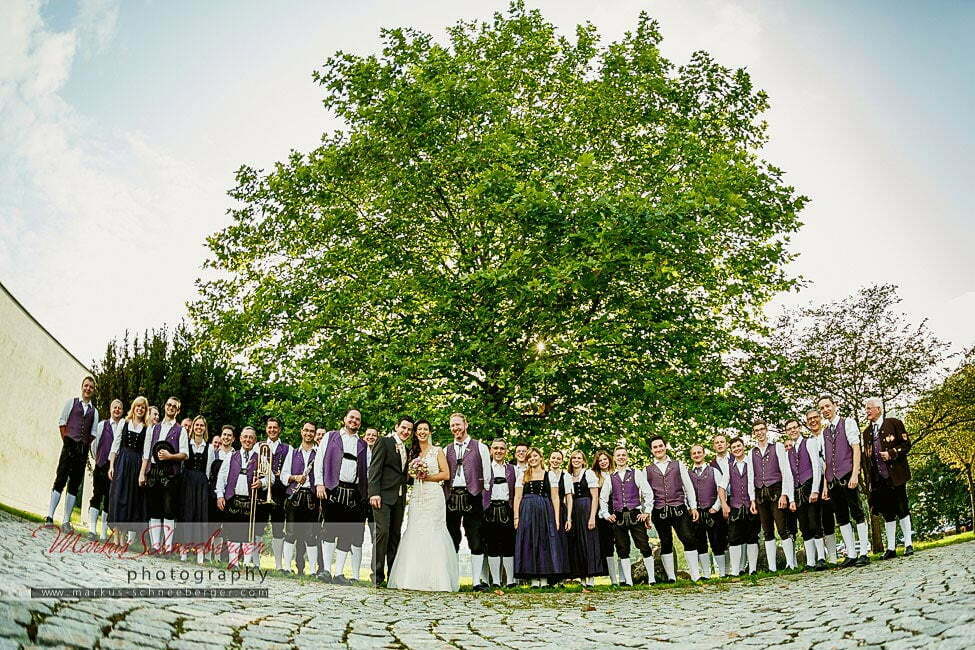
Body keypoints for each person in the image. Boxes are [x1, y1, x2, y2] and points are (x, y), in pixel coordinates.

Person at [387, 419, 459, 591]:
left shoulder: (437, 451)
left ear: (430, 432)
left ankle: (437, 579)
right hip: (417, 495)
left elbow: (446, 474)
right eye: (419, 429)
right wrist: (415, 472)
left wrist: (427, 477)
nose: (422, 432)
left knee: (433, 530)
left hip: (433, 494)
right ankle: (411, 578)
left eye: (425, 429)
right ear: (415, 433)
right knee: (415, 529)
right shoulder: (412, 452)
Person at [314, 409, 369, 584]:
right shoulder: (331, 437)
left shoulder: (363, 444)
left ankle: (339, 573)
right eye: (351, 417)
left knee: (346, 532)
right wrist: (319, 483)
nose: (354, 421)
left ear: (360, 423)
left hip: (353, 492)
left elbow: (367, 471)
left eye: (357, 419)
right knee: (330, 529)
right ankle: (327, 571)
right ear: (344, 419)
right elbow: (319, 461)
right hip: (332, 488)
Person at [818, 396, 869, 567]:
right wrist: (825, 485)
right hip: (832, 480)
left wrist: (855, 474)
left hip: (848, 475)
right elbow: (825, 462)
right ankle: (851, 554)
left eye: (827, 406)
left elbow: (856, 448)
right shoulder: (824, 432)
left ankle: (863, 552)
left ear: (835, 406)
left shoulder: (847, 423)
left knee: (857, 513)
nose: (825, 410)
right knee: (841, 517)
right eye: (822, 408)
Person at [443, 413, 491, 591]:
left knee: (476, 538)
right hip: (452, 495)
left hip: (474, 495)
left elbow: (487, 477)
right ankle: (453, 580)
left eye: (458, 424)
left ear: (466, 424)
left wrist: (483, 500)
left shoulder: (480, 447)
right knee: (452, 538)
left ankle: (476, 581)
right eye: (452, 425)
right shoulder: (446, 449)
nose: (455, 428)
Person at [862, 397, 914, 558]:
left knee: (902, 508)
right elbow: (867, 457)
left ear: (879, 408)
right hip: (878, 479)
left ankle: (908, 544)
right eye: (866, 408)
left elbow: (906, 445)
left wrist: (891, 453)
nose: (867, 411)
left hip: (896, 475)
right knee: (887, 512)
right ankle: (891, 548)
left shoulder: (894, 423)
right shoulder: (866, 433)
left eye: (870, 408)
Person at [646, 435, 701, 582]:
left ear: (665, 446)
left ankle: (695, 575)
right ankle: (671, 577)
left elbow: (688, 487)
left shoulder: (678, 464)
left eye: (660, 446)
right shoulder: (648, 470)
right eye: (655, 447)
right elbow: (645, 493)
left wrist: (693, 506)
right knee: (666, 542)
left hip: (679, 507)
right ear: (651, 450)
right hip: (659, 510)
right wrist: (647, 512)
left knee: (688, 538)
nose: (658, 449)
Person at [48, 376, 99, 531]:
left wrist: (82, 445)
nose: (88, 389)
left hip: (82, 450)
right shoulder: (71, 403)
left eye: (91, 387)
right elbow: (62, 422)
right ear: (81, 386)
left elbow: (93, 433)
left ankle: (65, 520)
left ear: (93, 390)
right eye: (86, 386)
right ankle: (50, 516)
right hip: (69, 445)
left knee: (74, 484)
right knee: (60, 478)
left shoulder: (94, 412)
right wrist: (68, 441)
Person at [597, 447, 654, 586]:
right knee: (622, 548)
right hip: (618, 516)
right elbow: (603, 499)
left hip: (635, 514)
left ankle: (652, 578)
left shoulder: (636, 473)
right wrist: (606, 514)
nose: (621, 457)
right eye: (618, 455)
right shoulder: (610, 478)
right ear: (614, 458)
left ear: (627, 457)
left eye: (623, 455)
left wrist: (646, 512)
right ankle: (628, 581)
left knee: (644, 545)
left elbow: (648, 493)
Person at [368, 416, 413, 586]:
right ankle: (377, 576)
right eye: (403, 428)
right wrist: (374, 493)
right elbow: (374, 468)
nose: (406, 432)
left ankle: (392, 576)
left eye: (409, 429)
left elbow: (403, 475)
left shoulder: (407, 450)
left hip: (399, 499)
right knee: (382, 533)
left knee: (395, 536)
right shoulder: (384, 442)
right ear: (396, 427)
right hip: (382, 497)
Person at [140, 396, 188, 553]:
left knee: (168, 510)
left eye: (174, 406)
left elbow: (185, 454)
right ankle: (155, 546)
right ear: (165, 406)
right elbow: (146, 453)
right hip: (154, 471)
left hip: (170, 474)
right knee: (154, 509)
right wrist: (142, 473)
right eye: (169, 404)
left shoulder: (181, 431)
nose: (171, 407)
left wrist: (170, 456)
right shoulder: (154, 428)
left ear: (178, 410)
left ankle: (167, 547)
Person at [514, 448, 566, 587]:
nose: (532, 459)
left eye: (535, 456)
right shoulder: (522, 475)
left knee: (544, 542)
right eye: (530, 457)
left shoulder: (549, 475)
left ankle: (544, 578)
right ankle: (533, 579)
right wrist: (516, 517)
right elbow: (517, 497)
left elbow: (555, 498)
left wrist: (556, 518)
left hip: (544, 511)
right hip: (527, 511)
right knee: (529, 541)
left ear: (541, 458)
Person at [216, 427, 266, 568]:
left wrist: (262, 482)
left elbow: (271, 478)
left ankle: (247, 562)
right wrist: (220, 495)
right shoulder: (231, 456)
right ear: (240, 439)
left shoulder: (260, 458)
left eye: (251, 437)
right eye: (245, 437)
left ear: (255, 440)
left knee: (248, 533)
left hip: (250, 501)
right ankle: (233, 562)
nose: (247, 440)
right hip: (233, 498)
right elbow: (222, 477)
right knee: (233, 531)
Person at [749, 421, 796, 571]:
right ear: (754, 433)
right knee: (767, 531)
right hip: (760, 494)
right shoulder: (752, 452)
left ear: (766, 430)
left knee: (782, 528)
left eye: (762, 429)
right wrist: (752, 500)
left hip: (776, 491)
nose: (759, 432)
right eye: (756, 430)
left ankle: (790, 563)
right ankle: (772, 567)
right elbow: (751, 476)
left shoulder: (778, 447)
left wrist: (785, 494)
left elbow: (786, 472)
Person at [783, 418, 826, 570]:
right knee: (804, 526)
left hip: (810, 486)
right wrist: (792, 499)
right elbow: (788, 477)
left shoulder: (809, 442)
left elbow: (816, 466)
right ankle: (810, 561)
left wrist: (815, 489)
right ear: (787, 432)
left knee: (815, 522)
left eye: (795, 427)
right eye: (789, 429)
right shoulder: (788, 452)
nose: (793, 430)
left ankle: (821, 557)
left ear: (800, 428)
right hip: (797, 489)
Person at [107, 396, 149, 544]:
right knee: (118, 497)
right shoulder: (124, 423)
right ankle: (116, 534)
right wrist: (111, 466)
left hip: (136, 465)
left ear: (145, 410)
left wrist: (142, 473)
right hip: (122, 463)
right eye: (138, 406)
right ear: (133, 407)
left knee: (130, 500)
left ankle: (123, 534)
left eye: (143, 407)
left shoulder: (146, 428)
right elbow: (115, 445)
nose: (140, 409)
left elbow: (146, 453)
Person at [281, 420, 320, 575]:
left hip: (311, 497)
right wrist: (295, 477)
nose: (308, 433)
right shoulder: (292, 452)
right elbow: (284, 477)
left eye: (311, 431)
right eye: (306, 430)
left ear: (315, 434)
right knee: (290, 533)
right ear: (301, 432)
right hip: (294, 496)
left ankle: (312, 570)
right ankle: (286, 567)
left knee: (311, 535)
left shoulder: (319, 454)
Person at [566, 450, 605, 586]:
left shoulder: (588, 473)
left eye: (579, 458)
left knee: (589, 541)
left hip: (587, 507)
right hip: (574, 509)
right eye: (573, 458)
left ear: (583, 461)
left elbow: (595, 497)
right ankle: (582, 577)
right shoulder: (568, 476)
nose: (576, 460)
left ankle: (591, 578)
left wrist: (592, 517)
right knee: (577, 543)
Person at [689, 444, 728, 578]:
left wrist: (716, 507)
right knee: (700, 543)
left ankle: (723, 572)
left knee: (717, 542)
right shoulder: (688, 474)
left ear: (704, 454)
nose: (697, 455)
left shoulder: (714, 471)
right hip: (697, 513)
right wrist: (691, 508)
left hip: (713, 511)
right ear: (691, 456)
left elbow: (721, 490)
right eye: (694, 453)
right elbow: (685, 493)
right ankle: (706, 574)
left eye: (699, 452)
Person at [482, 439, 517, 588]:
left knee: (509, 545)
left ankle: (510, 581)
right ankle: (495, 580)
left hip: (507, 508)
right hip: (489, 509)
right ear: (491, 450)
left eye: (502, 448)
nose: (498, 451)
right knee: (492, 545)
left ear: (506, 451)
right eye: (495, 448)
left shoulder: (513, 469)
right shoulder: (484, 468)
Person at [177, 415, 211, 564]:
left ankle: (199, 552)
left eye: (201, 425)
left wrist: (205, 484)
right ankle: (183, 550)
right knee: (186, 514)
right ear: (192, 427)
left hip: (201, 483)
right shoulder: (187, 444)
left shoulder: (209, 447)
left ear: (205, 428)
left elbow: (208, 469)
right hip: (187, 483)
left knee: (200, 516)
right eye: (196, 425)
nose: (199, 428)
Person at [258, 417, 291, 571]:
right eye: (269, 427)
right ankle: (255, 562)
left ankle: (278, 564)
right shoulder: (259, 447)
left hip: (279, 492)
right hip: (262, 491)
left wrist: (278, 476)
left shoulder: (287, 448)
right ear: (266, 429)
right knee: (259, 527)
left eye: (275, 427)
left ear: (279, 430)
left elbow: (288, 470)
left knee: (278, 528)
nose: (272, 430)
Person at [805, 409, 838, 563]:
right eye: (809, 419)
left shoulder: (828, 436)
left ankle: (833, 556)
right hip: (814, 482)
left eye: (815, 418)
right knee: (815, 519)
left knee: (829, 518)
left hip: (829, 478)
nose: (813, 421)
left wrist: (825, 484)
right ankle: (821, 556)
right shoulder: (809, 441)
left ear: (820, 419)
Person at [89, 399, 123, 540]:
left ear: (122, 411)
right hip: (101, 465)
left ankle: (103, 532)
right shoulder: (103, 425)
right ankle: (92, 529)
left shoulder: (122, 427)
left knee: (109, 500)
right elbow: (94, 445)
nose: (117, 410)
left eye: (119, 408)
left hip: (114, 469)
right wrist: (99, 459)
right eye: (115, 407)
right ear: (110, 409)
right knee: (97, 495)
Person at [726, 437, 760, 576]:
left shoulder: (751, 463)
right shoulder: (729, 466)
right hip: (735, 505)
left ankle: (752, 569)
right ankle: (735, 571)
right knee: (734, 538)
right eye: (734, 447)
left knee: (752, 536)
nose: (737, 449)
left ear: (743, 446)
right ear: (731, 450)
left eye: (739, 446)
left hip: (751, 504)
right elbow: (721, 487)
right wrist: (724, 505)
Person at [591, 450, 620, 585]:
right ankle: (613, 579)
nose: (603, 462)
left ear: (609, 459)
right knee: (607, 546)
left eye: (605, 459)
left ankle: (624, 578)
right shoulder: (594, 476)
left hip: (618, 511)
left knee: (621, 544)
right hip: (602, 514)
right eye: (600, 460)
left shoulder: (616, 473)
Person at [208, 425, 237, 562]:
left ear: (233, 439)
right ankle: (208, 555)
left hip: (229, 495)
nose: (226, 437)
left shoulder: (235, 456)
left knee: (224, 527)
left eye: (229, 435)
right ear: (221, 436)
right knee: (212, 525)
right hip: (213, 494)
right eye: (224, 434)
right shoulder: (214, 453)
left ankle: (219, 556)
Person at [546, 450, 573, 585]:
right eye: (553, 458)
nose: (555, 460)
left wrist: (569, 518)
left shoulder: (566, 476)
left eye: (558, 458)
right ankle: (549, 577)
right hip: (545, 510)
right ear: (549, 459)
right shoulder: (544, 474)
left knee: (560, 543)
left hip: (561, 511)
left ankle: (560, 578)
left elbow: (569, 497)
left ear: (562, 461)